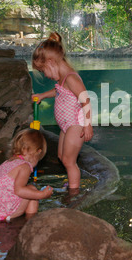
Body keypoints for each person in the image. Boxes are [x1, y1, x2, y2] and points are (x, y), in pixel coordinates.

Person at [31, 32, 93, 195]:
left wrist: (87, 125)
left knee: (68, 160)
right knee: (61, 155)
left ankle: (74, 192)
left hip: (75, 124)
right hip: (67, 125)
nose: (45, 75)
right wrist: (43, 95)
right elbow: (59, 91)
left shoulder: (71, 78)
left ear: (51, 62)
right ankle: (71, 183)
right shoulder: (62, 79)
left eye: (43, 70)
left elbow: (85, 100)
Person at [0, 128, 52, 221]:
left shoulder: (9, 162)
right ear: (38, 152)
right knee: (32, 190)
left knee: (29, 189)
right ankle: (31, 221)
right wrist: (42, 195)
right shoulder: (24, 166)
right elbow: (19, 191)